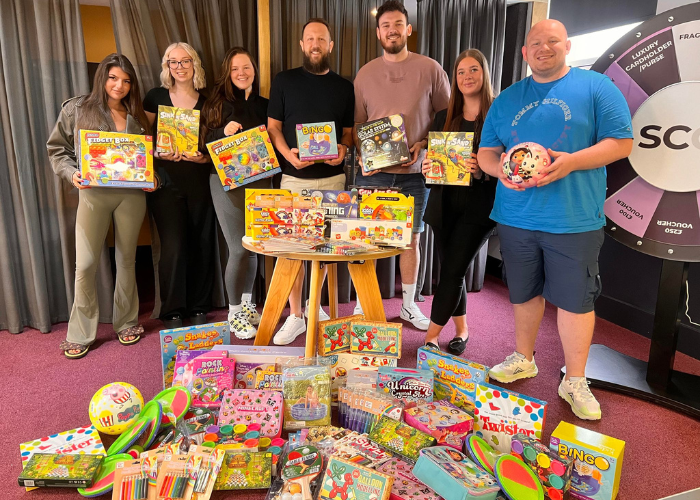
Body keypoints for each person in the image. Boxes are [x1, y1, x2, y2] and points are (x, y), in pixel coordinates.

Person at [477, 20, 633, 420]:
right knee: (523, 293)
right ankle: (523, 358)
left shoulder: (596, 87)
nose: (543, 48)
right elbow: (487, 153)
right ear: (525, 53)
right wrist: (502, 173)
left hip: (574, 218)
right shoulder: (508, 98)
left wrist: (571, 164)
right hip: (516, 215)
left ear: (566, 45)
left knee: (576, 301)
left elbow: (622, 142)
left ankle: (575, 379)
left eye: (551, 42)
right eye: (535, 44)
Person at [47, 53, 156, 359]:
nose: (119, 85)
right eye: (113, 77)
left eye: (125, 80)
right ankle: (80, 332)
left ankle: (127, 322)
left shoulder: (138, 117)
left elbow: (145, 162)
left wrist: (153, 179)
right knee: (85, 264)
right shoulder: (77, 108)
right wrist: (73, 173)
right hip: (93, 193)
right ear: (102, 78)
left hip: (131, 196)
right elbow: (57, 150)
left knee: (127, 260)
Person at [353, 0, 450, 330]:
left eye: (398, 24)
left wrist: (425, 144)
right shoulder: (365, 73)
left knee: (412, 240)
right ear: (378, 32)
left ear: (408, 29)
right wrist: (366, 156)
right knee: (365, 239)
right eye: (385, 26)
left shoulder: (431, 68)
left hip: (415, 175)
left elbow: (447, 119)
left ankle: (409, 305)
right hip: (375, 176)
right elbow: (357, 128)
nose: (392, 30)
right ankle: (362, 302)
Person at [267, 18, 355, 345]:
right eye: (310, 39)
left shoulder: (344, 86)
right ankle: (295, 316)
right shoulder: (284, 80)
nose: (315, 44)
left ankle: (313, 304)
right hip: (293, 177)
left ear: (330, 46)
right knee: (291, 251)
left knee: (325, 247)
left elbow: (347, 133)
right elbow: (273, 126)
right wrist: (287, 155)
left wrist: (343, 150)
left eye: (321, 39)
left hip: (333, 179)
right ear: (302, 45)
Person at [421, 49, 497, 355]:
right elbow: (436, 165)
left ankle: (429, 338)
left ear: (485, 74)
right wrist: (428, 168)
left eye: (474, 70)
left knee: (452, 271)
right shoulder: (444, 117)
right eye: (461, 71)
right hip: (444, 206)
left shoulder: (496, 117)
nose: (467, 77)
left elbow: (504, 164)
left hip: (478, 209)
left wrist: (483, 170)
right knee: (452, 271)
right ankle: (462, 330)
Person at [144, 42, 215, 329]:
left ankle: (199, 305)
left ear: (194, 63)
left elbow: (215, 144)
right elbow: (143, 138)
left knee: (202, 243)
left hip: (200, 180)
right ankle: (172, 309)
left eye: (185, 61)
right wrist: (157, 154)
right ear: (167, 67)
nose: (180, 67)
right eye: (173, 62)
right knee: (173, 247)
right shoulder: (155, 97)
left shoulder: (208, 100)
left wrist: (203, 159)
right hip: (166, 183)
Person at [202, 47, 267, 340]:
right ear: (227, 73)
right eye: (235, 69)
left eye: (247, 67)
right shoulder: (215, 104)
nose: (242, 73)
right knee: (238, 248)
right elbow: (200, 142)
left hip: (261, 181)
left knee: (254, 246)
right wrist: (221, 132)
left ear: (255, 69)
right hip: (225, 183)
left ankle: (248, 304)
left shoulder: (266, 104)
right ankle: (233, 312)